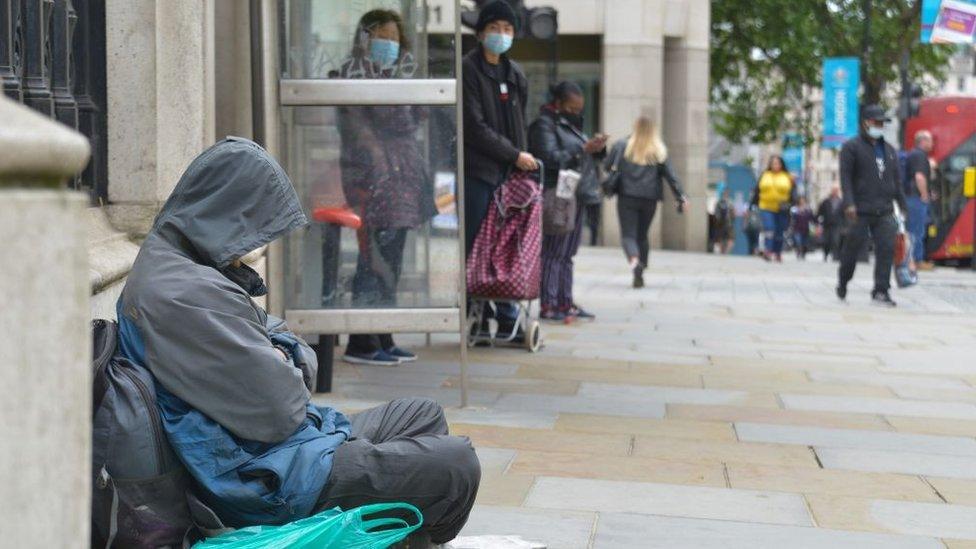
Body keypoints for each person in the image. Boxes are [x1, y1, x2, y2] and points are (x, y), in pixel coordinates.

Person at [115, 138, 480, 545]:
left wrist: (280, 351)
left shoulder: (185, 267)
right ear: (226, 214)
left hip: (281, 451)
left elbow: (288, 350)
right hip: (263, 481)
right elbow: (285, 408)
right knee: (456, 464)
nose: (253, 248)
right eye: (253, 229)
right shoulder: (183, 293)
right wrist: (282, 353)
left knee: (420, 414)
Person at [337, 10, 436, 366]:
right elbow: (381, 122)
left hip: (402, 181)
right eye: (382, 35)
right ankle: (361, 341)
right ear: (365, 37)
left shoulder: (393, 75)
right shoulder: (355, 73)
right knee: (373, 259)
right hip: (375, 179)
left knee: (391, 260)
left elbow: (412, 119)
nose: (389, 44)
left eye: (395, 38)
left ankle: (383, 333)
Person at [462, 0, 537, 339]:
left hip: (510, 174)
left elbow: (520, 124)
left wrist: (522, 163)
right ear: (480, 33)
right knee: (478, 244)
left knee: (507, 246)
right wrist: (513, 154)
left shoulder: (515, 73)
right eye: (494, 29)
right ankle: (479, 313)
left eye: (507, 30)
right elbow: (474, 127)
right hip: (479, 171)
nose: (501, 35)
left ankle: (507, 316)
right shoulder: (469, 69)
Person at [528, 81, 606, 322]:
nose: (576, 113)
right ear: (558, 104)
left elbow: (581, 154)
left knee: (567, 252)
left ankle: (564, 300)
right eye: (571, 108)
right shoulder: (544, 125)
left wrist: (597, 148)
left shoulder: (570, 126)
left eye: (579, 109)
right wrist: (583, 149)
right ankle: (550, 303)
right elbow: (549, 158)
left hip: (575, 193)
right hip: (557, 193)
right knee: (554, 251)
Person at [836, 104, 908, 306]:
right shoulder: (851, 147)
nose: (880, 126)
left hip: (884, 209)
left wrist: (902, 204)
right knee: (852, 250)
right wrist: (849, 203)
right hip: (859, 209)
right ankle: (843, 281)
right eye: (876, 122)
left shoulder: (890, 150)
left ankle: (881, 290)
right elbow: (846, 178)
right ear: (865, 123)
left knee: (886, 249)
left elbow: (896, 181)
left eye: (882, 123)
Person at [606, 116, 688, 288]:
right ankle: (641, 267)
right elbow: (671, 176)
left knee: (629, 235)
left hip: (627, 196)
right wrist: (681, 196)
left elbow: (608, 166)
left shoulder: (623, 146)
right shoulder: (658, 150)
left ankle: (635, 263)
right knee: (642, 235)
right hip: (650, 199)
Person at [751, 155, 795, 262]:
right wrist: (751, 205)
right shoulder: (765, 175)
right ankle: (768, 250)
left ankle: (778, 252)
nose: (775, 165)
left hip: (782, 208)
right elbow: (757, 191)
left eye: (777, 163)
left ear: (781, 164)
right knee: (769, 228)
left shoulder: (787, 176)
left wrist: (792, 203)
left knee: (779, 231)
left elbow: (793, 192)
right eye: (773, 163)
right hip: (766, 206)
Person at [905, 130, 935, 271]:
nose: (932, 143)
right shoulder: (920, 155)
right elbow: (919, 177)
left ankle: (912, 259)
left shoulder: (913, 154)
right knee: (917, 230)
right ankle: (917, 260)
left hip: (911, 197)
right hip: (916, 198)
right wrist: (924, 195)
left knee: (913, 230)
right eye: (930, 140)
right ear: (923, 141)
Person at [817, 184, 845, 262]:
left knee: (836, 240)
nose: (835, 192)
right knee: (826, 241)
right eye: (834, 190)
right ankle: (826, 254)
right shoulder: (826, 201)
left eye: (836, 190)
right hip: (827, 224)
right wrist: (818, 223)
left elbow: (844, 215)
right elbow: (819, 213)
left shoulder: (841, 202)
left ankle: (835, 256)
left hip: (837, 224)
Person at [713, 188, 735, 254]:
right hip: (729, 224)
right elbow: (733, 214)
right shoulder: (730, 202)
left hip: (720, 224)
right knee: (731, 238)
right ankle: (726, 252)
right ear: (727, 194)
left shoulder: (718, 202)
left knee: (720, 238)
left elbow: (715, 213)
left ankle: (721, 252)